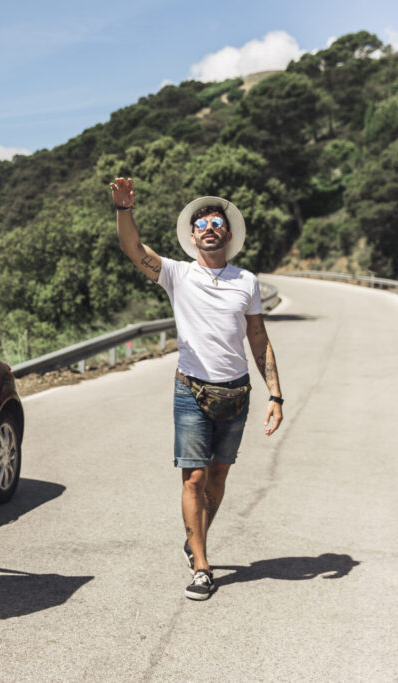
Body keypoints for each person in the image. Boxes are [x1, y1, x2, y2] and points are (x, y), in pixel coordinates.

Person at [109, 178, 284, 601]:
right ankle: (202, 565)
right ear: (192, 235)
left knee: (218, 478)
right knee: (194, 478)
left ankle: (195, 538)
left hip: (236, 393)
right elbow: (134, 249)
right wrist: (123, 210)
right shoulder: (176, 274)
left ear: (227, 234)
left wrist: (276, 395)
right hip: (191, 390)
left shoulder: (247, 281)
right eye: (201, 222)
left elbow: (258, 338)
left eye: (216, 222)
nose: (209, 227)